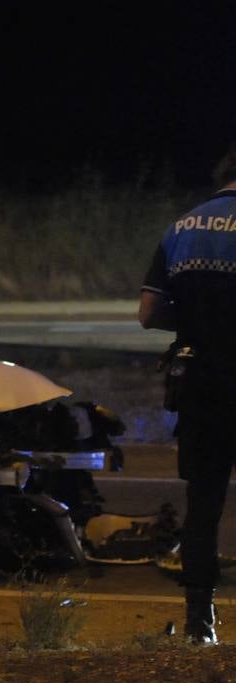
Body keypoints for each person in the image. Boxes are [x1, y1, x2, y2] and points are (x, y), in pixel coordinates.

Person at [139, 141, 236, 645]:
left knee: (203, 503)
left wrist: (198, 323)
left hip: (200, 385)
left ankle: (201, 622)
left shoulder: (182, 227)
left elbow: (149, 314)